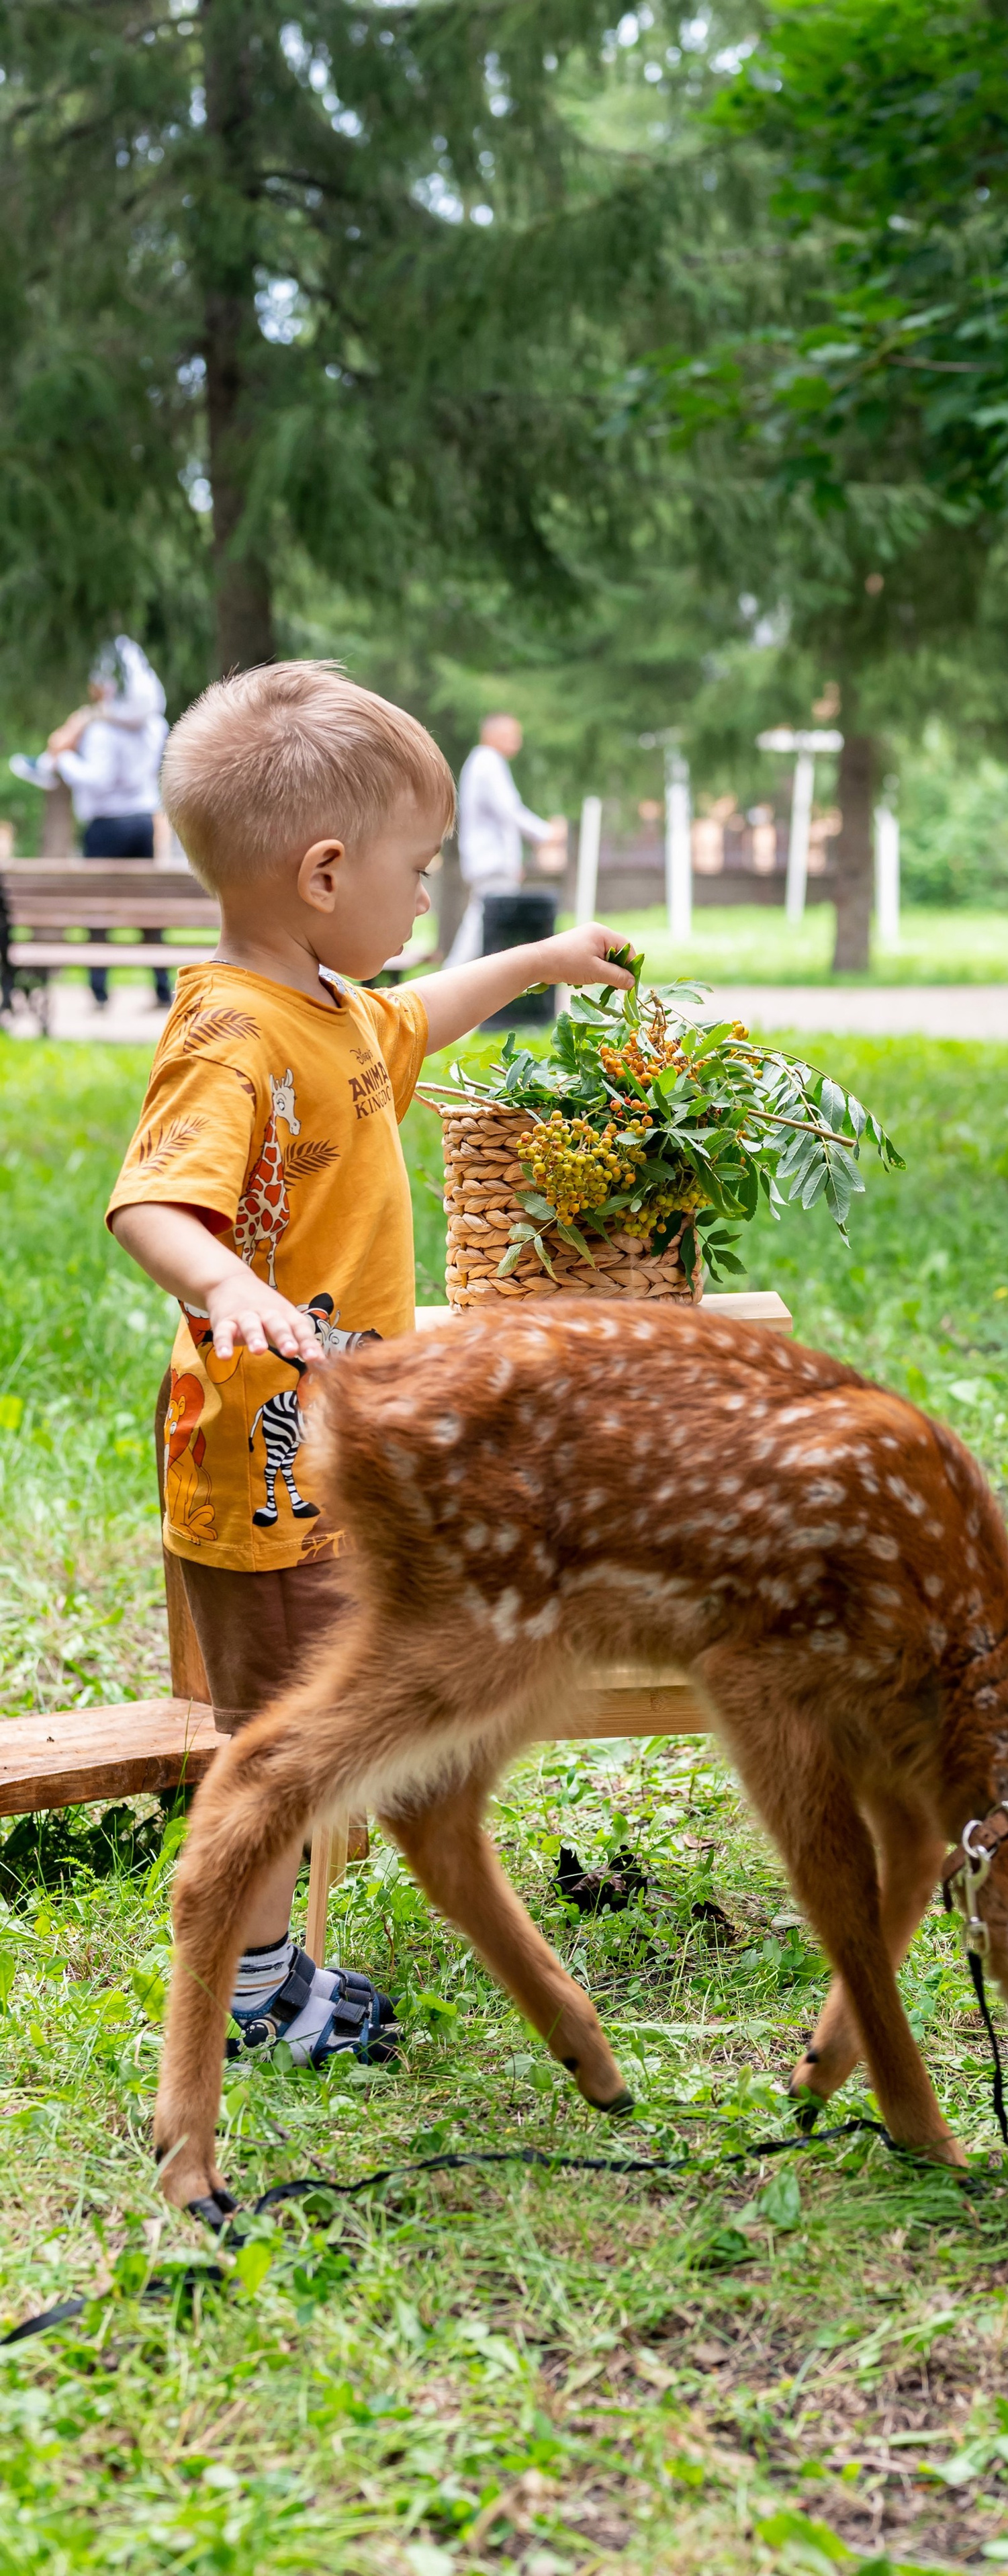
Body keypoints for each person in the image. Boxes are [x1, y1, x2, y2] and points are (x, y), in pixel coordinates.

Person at [107, 660, 630, 2073]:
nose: (426, 896)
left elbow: (420, 1015)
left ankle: (279, 1963)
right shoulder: (231, 1033)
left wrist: (532, 962)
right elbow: (153, 1199)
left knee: (331, 1709)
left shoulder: (333, 1007)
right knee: (276, 1735)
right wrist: (226, 1286)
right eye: (421, 870)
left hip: (345, 1460)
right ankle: (260, 1987)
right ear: (326, 871)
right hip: (259, 1465)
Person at [46, 638, 173, 1007]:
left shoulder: (101, 731)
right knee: (149, 909)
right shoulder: (154, 726)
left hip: (105, 826)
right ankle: (161, 986)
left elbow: (97, 780)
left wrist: (61, 762)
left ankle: (99, 989)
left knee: (97, 907)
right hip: (143, 821)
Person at [445, 712, 567, 968]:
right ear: (493, 734)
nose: (517, 742)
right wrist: (546, 834)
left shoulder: (483, 762)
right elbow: (509, 810)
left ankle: (464, 980)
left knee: (485, 922)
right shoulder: (488, 761)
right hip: (490, 860)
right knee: (484, 923)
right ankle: (453, 978)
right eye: (512, 735)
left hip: (493, 861)